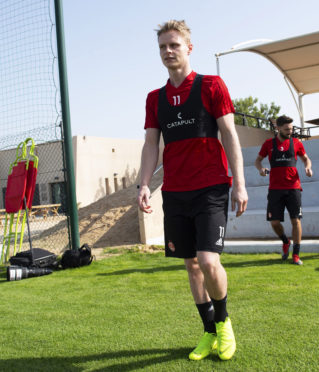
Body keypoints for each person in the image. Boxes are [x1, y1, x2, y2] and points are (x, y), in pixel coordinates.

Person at [137, 20, 248, 361]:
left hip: (212, 187)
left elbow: (229, 135)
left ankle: (224, 322)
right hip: (175, 192)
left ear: (188, 48)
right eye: (162, 47)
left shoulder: (211, 86)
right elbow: (150, 145)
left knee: (208, 259)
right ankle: (208, 332)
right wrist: (143, 183)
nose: (168, 51)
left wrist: (240, 184)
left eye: (174, 45)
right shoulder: (155, 99)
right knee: (191, 265)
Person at [254, 115, 312, 265]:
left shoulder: (297, 143)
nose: (290, 131)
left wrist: (307, 167)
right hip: (275, 189)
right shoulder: (268, 144)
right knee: (274, 222)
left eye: (291, 129)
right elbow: (258, 161)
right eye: (287, 129)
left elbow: (306, 158)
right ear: (278, 128)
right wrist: (261, 169)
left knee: (295, 220)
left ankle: (296, 255)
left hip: (293, 188)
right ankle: (286, 242)